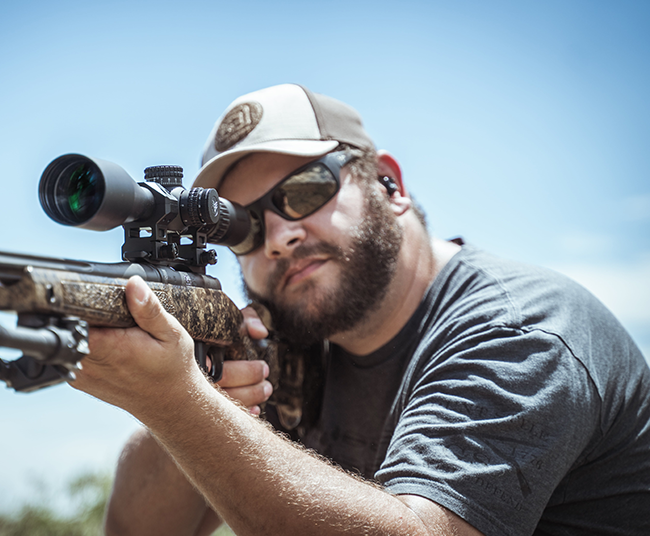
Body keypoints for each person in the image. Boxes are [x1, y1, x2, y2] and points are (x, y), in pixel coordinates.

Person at [71, 84, 650, 535]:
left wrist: (179, 404)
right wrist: (198, 396)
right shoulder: (293, 346)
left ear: (388, 184)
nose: (278, 238)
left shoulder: (518, 329)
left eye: (303, 192)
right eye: (243, 228)